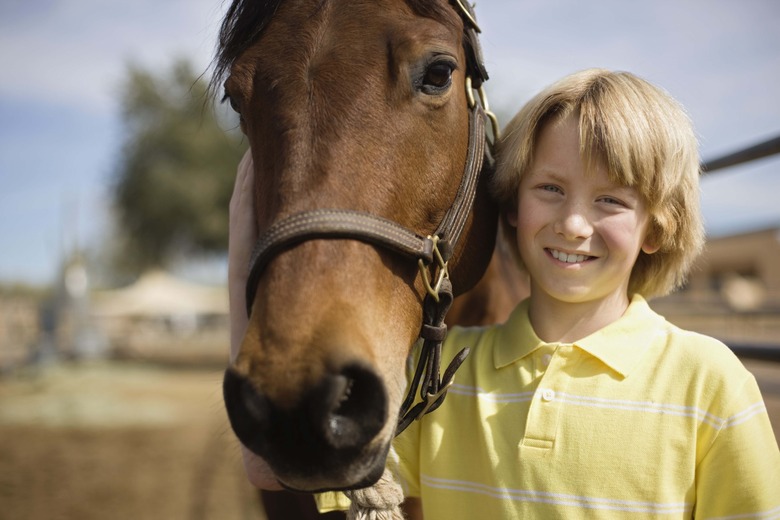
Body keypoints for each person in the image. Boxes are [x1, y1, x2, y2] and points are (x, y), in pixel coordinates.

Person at [229, 69, 780, 518]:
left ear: (657, 229)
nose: (572, 224)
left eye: (610, 200)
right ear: (512, 206)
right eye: (550, 189)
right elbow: (268, 467)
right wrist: (246, 243)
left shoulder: (710, 382)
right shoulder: (437, 378)